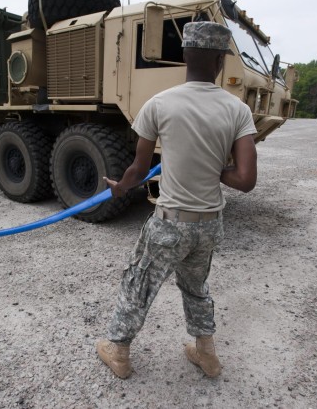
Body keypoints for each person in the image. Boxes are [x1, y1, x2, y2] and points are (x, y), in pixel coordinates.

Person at [96, 21, 258, 379]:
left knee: (138, 283)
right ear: (220, 61)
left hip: (171, 223)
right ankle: (207, 355)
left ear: (185, 55)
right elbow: (245, 180)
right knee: (196, 288)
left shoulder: (159, 104)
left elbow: (138, 170)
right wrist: (214, 168)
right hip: (210, 225)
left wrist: (119, 188)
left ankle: (118, 351)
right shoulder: (238, 111)